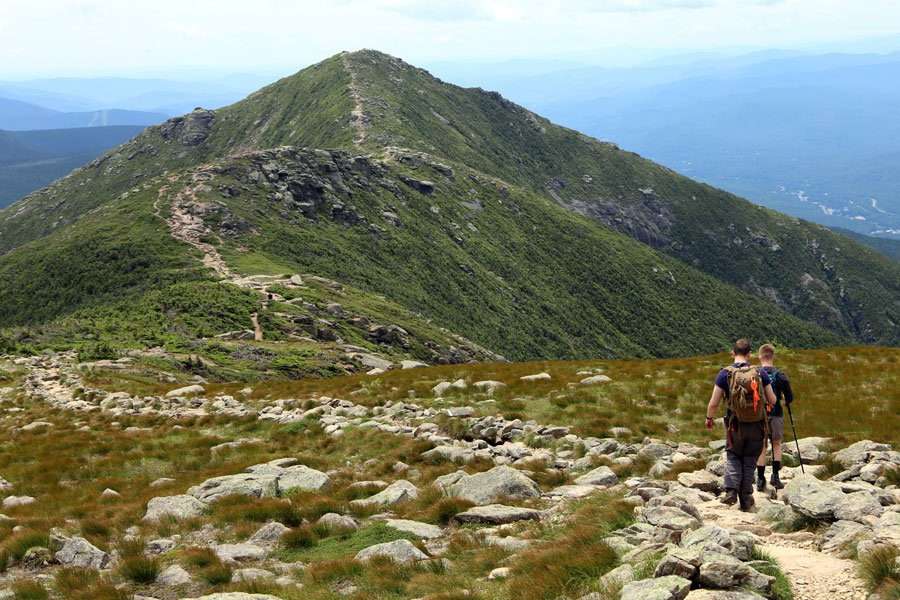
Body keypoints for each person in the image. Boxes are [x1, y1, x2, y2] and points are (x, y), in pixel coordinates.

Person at [705, 339, 776, 512]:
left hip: (734, 425)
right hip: (757, 424)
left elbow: (714, 403)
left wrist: (709, 418)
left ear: (732, 353)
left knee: (734, 455)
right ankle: (746, 497)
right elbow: (772, 400)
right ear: (749, 354)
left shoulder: (725, 374)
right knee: (750, 459)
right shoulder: (760, 373)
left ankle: (730, 490)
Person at [755, 343, 793, 491]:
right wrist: (784, 402)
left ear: (760, 356)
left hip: (759, 416)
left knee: (762, 446)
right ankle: (775, 477)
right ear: (773, 356)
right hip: (776, 414)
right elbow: (790, 397)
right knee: (776, 444)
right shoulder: (780, 375)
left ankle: (760, 479)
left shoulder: (755, 374)